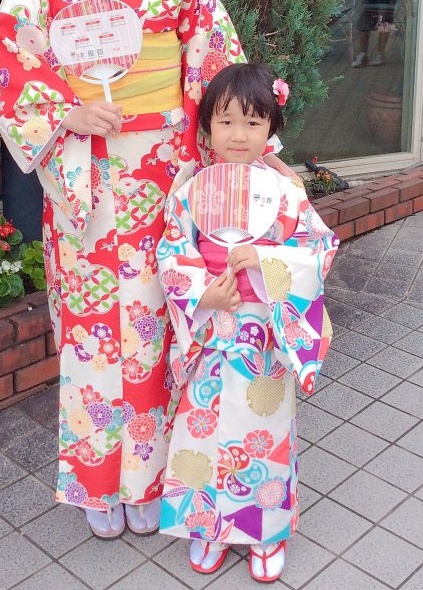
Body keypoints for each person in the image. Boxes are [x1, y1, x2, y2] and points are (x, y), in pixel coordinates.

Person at [0, 0, 288, 539]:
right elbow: (12, 52)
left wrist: (254, 161)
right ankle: (98, 482)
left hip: (166, 172)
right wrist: (65, 110)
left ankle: (154, 476)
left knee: (160, 318)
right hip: (84, 172)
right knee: (93, 328)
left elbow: (214, 67)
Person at [157, 63, 337, 582]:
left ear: (271, 129)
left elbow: (318, 250)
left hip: (264, 329)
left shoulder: (287, 192)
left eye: (253, 123)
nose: (239, 135)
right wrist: (202, 293)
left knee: (263, 430)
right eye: (226, 121)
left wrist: (266, 261)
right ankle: (207, 524)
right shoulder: (190, 189)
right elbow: (172, 251)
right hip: (212, 325)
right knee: (202, 428)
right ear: (207, 128)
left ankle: (265, 531)